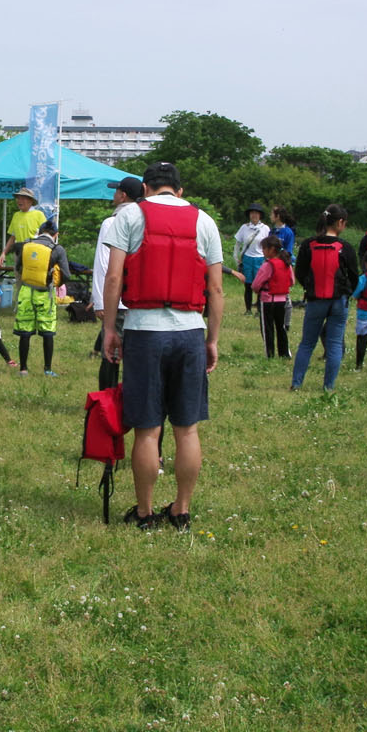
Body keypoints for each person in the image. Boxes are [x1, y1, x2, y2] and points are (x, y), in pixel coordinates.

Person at [100, 162, 224, 531]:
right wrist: (212, 339)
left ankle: (144, 512)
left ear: (145, 187)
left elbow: (114, 276)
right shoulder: (205, 221)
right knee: (187, 428)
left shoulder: (130, 216)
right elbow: (216, 289)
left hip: (144, 331)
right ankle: (181, 511)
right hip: (189, 332)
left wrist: (110, 327)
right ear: (180, 190)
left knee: (147, 428)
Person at [291, 205, 358, 393]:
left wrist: (309, 287)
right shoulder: (345, 248)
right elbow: (354, 276)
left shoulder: (308, 245)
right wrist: (348, 293)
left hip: (314, 300)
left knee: (307, 343)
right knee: (335, 343)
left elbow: (300, 272)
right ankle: (328, 386)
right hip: (339, 301)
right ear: (340, 222)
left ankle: (297, 383)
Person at [91, 177, 143, 389]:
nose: (114, 195)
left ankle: (107, 399)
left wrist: (100, 301)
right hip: (139, 303)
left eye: (116, 191)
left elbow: (103, 264)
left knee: (110, 355)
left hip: (116, 301)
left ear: (123, 195)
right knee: (136, 357)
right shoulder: (145, 220)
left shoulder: (112, 222)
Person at [13, 221, 69, 377]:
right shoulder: (57, 249)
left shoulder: (26, 245)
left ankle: (23, 369)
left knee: (25, 331)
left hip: (26, 292)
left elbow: (18, 267)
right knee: (48, 332)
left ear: (40, 232)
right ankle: (47, 369)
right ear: (55, 235)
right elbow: (67, 274)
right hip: (45, 294)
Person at [251, 235, 293, 359]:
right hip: (283, 300)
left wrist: (257, 290)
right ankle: (284, 353)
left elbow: (256, 284)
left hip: (268, 300)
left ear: (271, 249)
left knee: (267, 328)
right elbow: (292, 281)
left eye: (264, 248)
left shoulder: (268, 265)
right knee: (281, 328)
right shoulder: (286, 263)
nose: (262, 251)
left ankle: (269, 354)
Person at [233, 204, 272, 315]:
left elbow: (269, 245)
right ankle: (248, 309)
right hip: (247, 259)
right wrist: (236, 259)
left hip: (260, 259)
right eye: (252, 213)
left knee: (261, 285)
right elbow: (237, 244)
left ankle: (260, 309)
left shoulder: (265, 228)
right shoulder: (244, 227)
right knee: (248, 285)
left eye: (256, 213)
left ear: (260, 215)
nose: (254, 215)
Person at [0, 188, 46, 261]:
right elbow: (12, 237)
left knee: (32, 271)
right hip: (18, 252)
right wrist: (4, 253)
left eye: (23, 198)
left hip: (35, 252)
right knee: (19, 272)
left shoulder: (39, 215)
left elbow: (46, 236)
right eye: (18, 198)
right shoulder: (16, 215)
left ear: (30, 201)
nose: (19, 201)